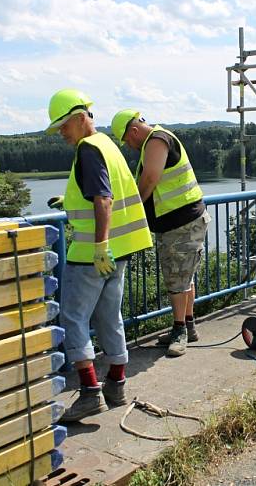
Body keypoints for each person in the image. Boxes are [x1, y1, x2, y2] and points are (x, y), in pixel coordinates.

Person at [45, 89, 152, 421]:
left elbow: (103, 199)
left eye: (63, 125)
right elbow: (102, 192)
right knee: (109, 316)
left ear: (80, 118)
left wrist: (99, 246)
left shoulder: (88, 149)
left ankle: (91, 393)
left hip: (93, 253)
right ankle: (116, 385)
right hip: (118, 251)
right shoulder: (108, 144)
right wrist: (71, 203)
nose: (61, 133)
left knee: (73, 318)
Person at [111, 109, 211, 357]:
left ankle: (179, 332)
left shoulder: (156, 141)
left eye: (126, 140)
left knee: (177, 279)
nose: (128, 146)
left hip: (181, 223)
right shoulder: (159, 138)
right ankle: (188, 326)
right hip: (185, 220)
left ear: (133, 131)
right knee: (185, 277)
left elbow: (150, 179)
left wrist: (130, 210)